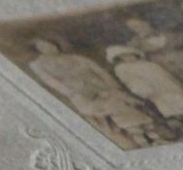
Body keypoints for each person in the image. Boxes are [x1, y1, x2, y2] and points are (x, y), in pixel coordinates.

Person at [24, 38, 163, 148]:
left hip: (103, 89)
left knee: (128, 112)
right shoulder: (38, 64)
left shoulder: (76, 58)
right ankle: (130, 143)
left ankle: (155, 139)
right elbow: (51, 81)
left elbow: (99, 71)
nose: (49, 48)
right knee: (104, 118)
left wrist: (113, 87)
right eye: (42, 47)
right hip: (80, 94)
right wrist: (73, 93)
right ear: (37, 50)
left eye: (50, 45)